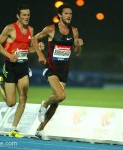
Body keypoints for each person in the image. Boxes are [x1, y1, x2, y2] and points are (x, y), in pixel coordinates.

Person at [0, 5, 45, 138]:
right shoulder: (9, 29)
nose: (26, 18)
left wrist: (38, 49)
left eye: (28, 15)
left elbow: (26, 49)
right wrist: (8, 55)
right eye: (24, 15)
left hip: (23, 67)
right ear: (18, 16)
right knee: (11, 103)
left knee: (24, 97)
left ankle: (14, 129)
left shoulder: (31, 30)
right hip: (10, 67)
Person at [32, 3, 84, 140]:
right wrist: (40, 55)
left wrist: (78, 45)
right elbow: (33, 39)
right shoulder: (50, 29)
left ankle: (39, 130)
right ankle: (44, 103)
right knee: (61, 96)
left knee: (56, 103)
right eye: (66, 13)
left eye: (70, 14)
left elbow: (77, 52)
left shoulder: (74, 31)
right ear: (60, 15)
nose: (69, 16)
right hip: (51, 69)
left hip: (64, 71)